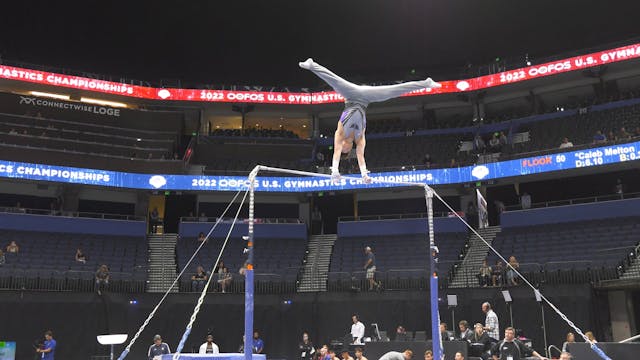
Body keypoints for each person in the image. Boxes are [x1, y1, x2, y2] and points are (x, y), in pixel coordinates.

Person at [299, 58, 441, 183]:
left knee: (335, 82)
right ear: (349, 149)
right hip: (366, 98)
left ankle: (312, 65)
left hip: (350, 95)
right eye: (345, 151)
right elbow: (360, 156)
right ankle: (426, 83)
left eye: (342, 149)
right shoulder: (360, 139)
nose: (343, 149)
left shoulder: (339, 135)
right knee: (393, 91)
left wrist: (334, 171)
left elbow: (336, 151)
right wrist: (364, 174)